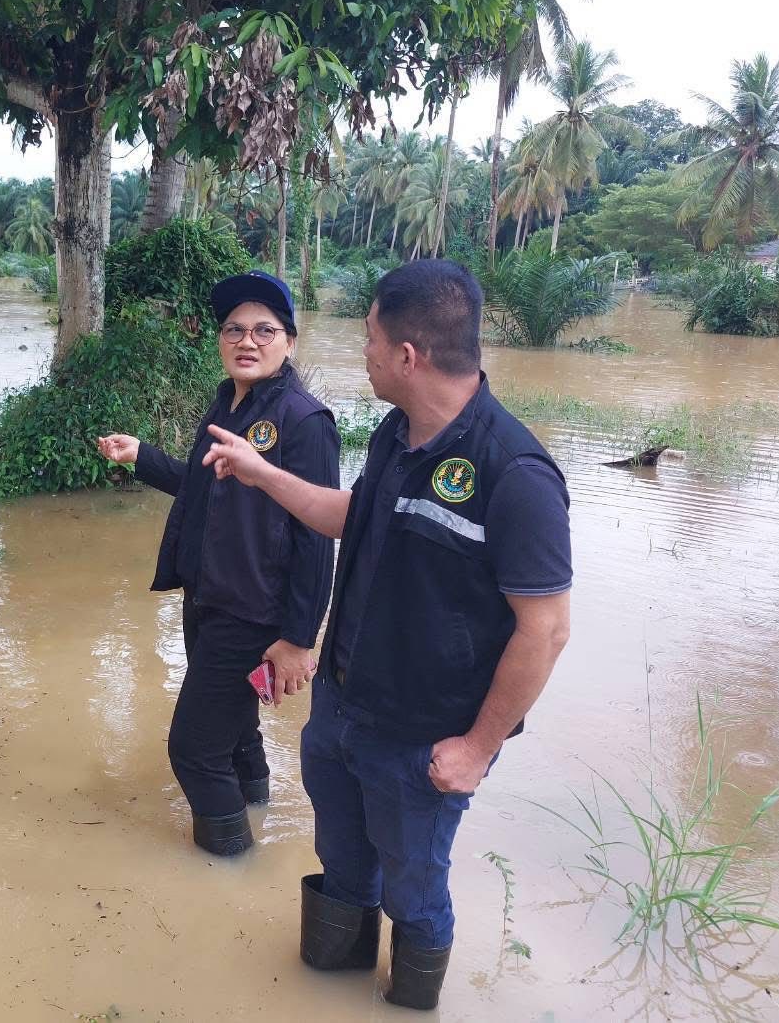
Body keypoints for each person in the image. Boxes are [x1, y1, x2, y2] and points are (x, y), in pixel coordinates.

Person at [202, 259, 571, 1009]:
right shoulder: (396, 435)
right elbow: (351, 516)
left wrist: (477, 749)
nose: (361, 353)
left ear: (408, 356)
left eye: (368, 339)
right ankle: (330, 993)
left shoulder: (515, 473)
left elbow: (547, 628)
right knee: (341, 864)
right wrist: (260, 472)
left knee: (413, 888)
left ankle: (406, 1003)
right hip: (342, 708)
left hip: (423, 741)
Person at [98, 270, 338, 857]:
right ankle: (256, 804)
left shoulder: (304, 420)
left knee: (194, 749)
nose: (246, 341)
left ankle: (231, 860)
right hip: (208, 598)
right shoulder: (228, 402)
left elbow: (318, 534)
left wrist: (298, 638)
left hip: (252, 612)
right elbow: (204, 488)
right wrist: (142, 457)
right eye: (233, 329)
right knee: (235, 730)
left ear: (290, 341)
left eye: (263, 330)